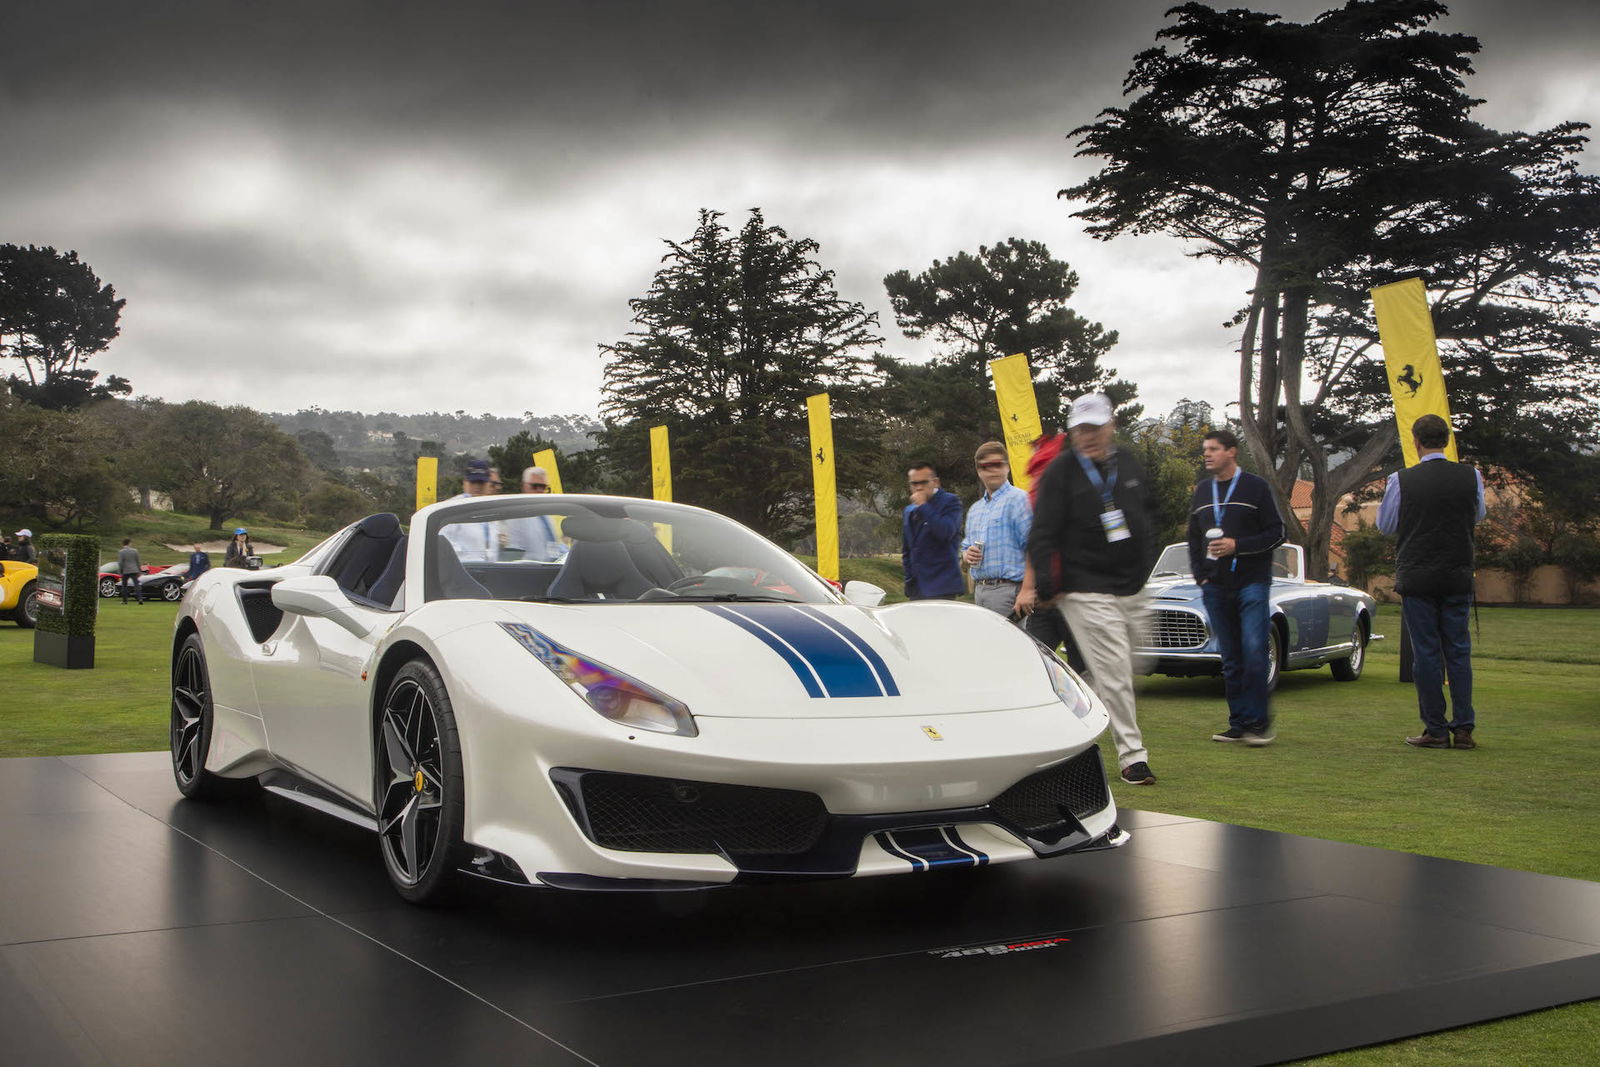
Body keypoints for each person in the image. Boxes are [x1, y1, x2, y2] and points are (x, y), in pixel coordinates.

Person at [1028, 393, 1158, 785]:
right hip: (1084, 588)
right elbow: (1042, 532)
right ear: (1072, 432)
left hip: (1131, 586)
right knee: (1116, 670)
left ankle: (1074, 703)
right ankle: (1133, 757)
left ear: (1111, 426)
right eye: (1080, 429)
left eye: (1095, 427)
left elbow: (1149, 515)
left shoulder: (1129, 464)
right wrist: (1048, 586)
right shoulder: (1060, 473)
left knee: (1136, 663)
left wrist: (1144, 566)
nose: (1088, 436)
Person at [1377, 414, 1486, 750]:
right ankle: (1464, 728)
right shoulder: (1471, 476)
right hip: (1457, 573)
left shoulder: (1401, 479)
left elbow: (1386, 524)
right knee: (1458, 651)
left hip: (1418, 575)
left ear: (1416, 441)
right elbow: (1478, 515)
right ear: (1447, 440)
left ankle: (1435, 729)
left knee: (1425, 654)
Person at [1186, 429, 1285, 746]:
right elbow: (1193, 538)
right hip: (1215, 586)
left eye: (1213, 449)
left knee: (1254, 650)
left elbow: (1276, 533)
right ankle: (1238, 722)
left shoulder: (1255, 487)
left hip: (1252, 582)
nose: (1207, 454)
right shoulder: (1202, 491)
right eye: (1205, 449)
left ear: (1231, 452)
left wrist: (1237, 546)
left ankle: (1258, 723)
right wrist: (1201, 575)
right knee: (1229, 657)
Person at [960, 442, 1033, 620]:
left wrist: (1027, 590)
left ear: (1007, 466)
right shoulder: (975, 509)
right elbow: (964, 556)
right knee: (986, 646)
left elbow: (1035, 548)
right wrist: (966, 556)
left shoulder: (1019, 500)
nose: (992, 470)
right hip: (979, 590)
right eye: (986, 466)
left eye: (998, 464)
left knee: (1007, 646)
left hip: (1008, 591)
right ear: (979, 471)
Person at [901, 461, 964, 600]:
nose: (918, 488)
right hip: (916, 588)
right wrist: (909, 578)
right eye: (914, 483)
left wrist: (924, 506)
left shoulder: (950, 501)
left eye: (923, 482)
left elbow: (946, 532)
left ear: (935, 482)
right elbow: (907, 549)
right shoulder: (909, 510)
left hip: (941, 586)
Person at [442, 458, 501, 563]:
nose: (477, 487)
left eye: (481, 482)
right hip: (463, 573)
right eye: (473, 482)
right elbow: (444, 543)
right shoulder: (452, 507)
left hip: (491, 573)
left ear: (488, 483)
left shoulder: (491, 509)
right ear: (465, 482)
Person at [503, 465, 564, 562]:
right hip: (529, 571)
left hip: (552, 568)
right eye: (535, 486)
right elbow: (514, 552)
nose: (539, 490)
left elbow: (553, 546)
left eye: (543, 487)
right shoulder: (516, 514)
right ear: (523, 486)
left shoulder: (546, 513)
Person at [117, 538, 145, 604]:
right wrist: (139, 571)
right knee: (137, 585)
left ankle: (125, 600)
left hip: (125, 571)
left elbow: (121, 563)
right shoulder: (135, 551)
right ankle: (140, 599)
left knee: (124, 586)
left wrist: (120, 571)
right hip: (134, 570)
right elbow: (138, 561)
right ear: (129, 543)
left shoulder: (121, 552)